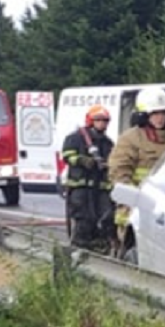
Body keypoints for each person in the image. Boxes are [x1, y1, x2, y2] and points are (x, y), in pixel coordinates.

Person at [109, 87, 165, 242]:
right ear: (144, 115)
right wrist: (131, 197)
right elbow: (119, 170)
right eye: (154, 113)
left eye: (163, 113)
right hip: (136, 203)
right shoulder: (130, 139)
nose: (160, 118)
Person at [61, 106, 115, 251]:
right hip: (80, 186)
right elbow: (67, 156)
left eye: (105, 121)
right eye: (99, 120)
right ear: (91, 121)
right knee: (84, 218)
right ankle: (79, 247)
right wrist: (82, 160)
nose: (102, 123)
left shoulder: (107, 142)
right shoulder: (75, 138)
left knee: (106, 217)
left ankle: (101, 245)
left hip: (100, 187)